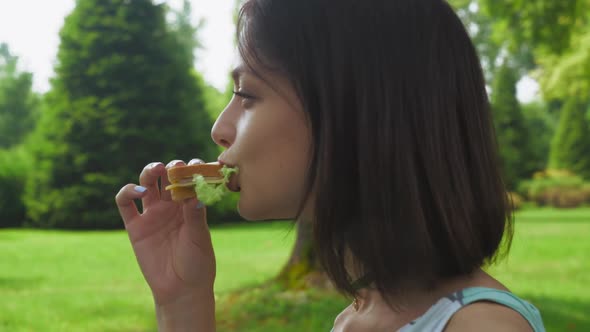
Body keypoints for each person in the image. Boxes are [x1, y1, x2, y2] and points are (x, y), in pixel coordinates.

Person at [115, 0, 546, 331]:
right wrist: (181, 302)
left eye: (247, 95)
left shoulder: (481, 326)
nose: (219, 129)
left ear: (353, 112)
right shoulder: (357, 316)